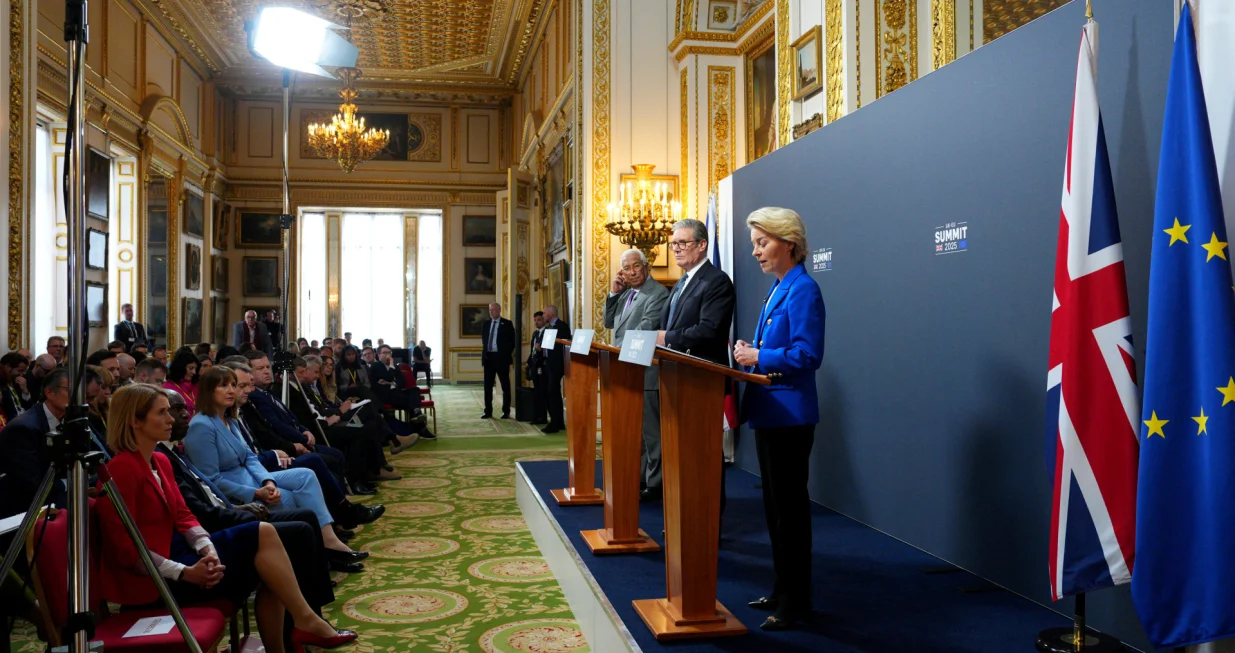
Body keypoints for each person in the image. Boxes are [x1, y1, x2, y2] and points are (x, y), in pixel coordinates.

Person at [95, 384, 358, 652]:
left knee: (270, 549)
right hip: (157, 577)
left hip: (185, 554)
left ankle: (297, 631)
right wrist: (184, 572)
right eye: (161, 413)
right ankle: (304, 624)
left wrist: (207, 549)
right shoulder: (121, 469)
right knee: (266, 539)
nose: (171, 419)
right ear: (134, 421)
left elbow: (184, 516)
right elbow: (127, 551)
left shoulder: (159, 461)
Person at [733, 208, 824, 631]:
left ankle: (795, 601)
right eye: (754, 243)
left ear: (788, 242)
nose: (755, 252)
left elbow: (808, 355)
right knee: (774, 511)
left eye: (762, 242)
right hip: (770, 413)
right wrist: (754, 351)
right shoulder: (779, 288)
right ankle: (781, 587)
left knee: (789, 512)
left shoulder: (804, 288)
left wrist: (759, 356)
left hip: (789, 415)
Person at [181, 367, 366, 564]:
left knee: (306, 475)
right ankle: (314, 558)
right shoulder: (201, 426)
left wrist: (267, 481)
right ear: (209, 391)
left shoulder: (229, 419)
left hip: (252, 477)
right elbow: (212, 480)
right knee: (289, 497)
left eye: (233, 385)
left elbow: (251, 458)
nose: (230, 390)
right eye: (223, 385)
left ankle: (329, 541)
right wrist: (255, 493)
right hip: (235, 488)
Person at [656, 218, 735, 508]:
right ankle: (683, 517)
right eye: (673, 243)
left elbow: (709, 330)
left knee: (703, 456)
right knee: (682, 454)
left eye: (682, 243)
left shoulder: (716, 281)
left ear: (702, 245)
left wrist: (666, 338)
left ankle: (707, 521)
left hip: (702, 381)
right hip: (676, 378)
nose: (676, 249)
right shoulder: (681, 282)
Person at [605, 249, 670, 495]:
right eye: (626, 269)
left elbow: (646, 328)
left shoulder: (658, 294)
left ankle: (656, 483)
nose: (631, 273)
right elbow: (609, 322)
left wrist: (615, 352)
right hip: (627, 370)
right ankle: (642, 478)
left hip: (646, 371)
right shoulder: (625, 294)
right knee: (638, 431)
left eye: (636, 267)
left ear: (646, 267)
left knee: (652, 433)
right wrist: (613, 292)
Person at [0, 368, 71, 518]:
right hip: (23, 512)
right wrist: (70, 484)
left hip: (51, 500)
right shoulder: (23, 428)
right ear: (49, 392)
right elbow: (31, 485)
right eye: (69, 389)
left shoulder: (69, 421)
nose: (79, 396)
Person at [480, 302, 515, 419]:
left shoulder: (507, 324)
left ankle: (506, 411)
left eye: (494, 310)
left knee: (505, 386)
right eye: (490, 310)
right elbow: (484, 341)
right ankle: (488, 411)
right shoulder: (486, 324)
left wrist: (504, 354)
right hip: (489, 358)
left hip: (501, 359)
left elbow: (512, 342)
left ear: (499, 311)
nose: (491, 312)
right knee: (487, 386)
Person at [540, 305, 571, 433]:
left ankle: (555, 423)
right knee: (551, 393)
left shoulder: (562, 327)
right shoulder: (549, 327)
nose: (543, 316)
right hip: (549, 364)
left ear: (550, 314)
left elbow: (563, 346)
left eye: (544, 313)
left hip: (557, 365)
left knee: (552, 392)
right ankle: (556, 421)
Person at [525, 313, 547, 424]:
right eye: (535, 320)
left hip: (542, 366)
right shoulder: (535, 333)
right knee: (536, 392)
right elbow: (532, 350)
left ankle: (542, 417)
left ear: (544, 320)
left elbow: (545, 350)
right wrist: (528, 362)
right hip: (533, 364)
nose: (536, 322)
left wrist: (540, 350)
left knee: (542, 392)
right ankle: (536, 415)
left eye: (538, 320)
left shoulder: (547, 333)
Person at [164, 348, 200, 414]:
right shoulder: (168, 387)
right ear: (181, 367)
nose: (194, 372)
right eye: (191, 368)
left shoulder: (197, 384)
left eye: (195, 369)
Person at [0, 353, 32, 423]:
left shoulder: (16, 382)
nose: (21, 375)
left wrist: (25, 392)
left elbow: (29, 408)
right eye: (20, 370)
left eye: (23, 372)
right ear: (7, 367)